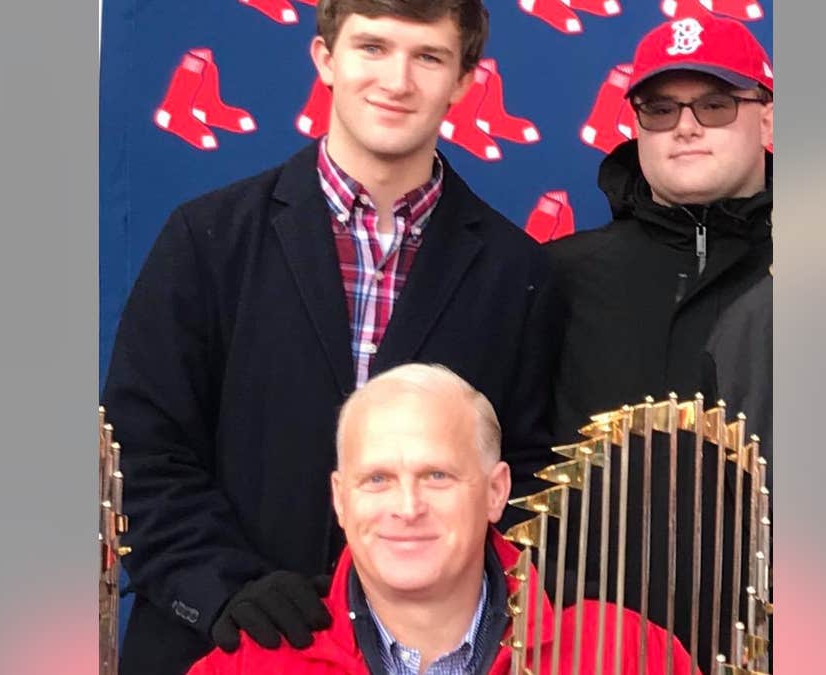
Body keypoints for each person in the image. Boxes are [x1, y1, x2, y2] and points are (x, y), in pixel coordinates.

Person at [101, 2, 561, 672]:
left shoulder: (518, 272)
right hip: (216, 646)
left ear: (464, 80)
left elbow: (519, 480)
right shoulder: (207, 240)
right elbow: (143, 450)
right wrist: (225, 588)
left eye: (427, 56)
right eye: (372, 47)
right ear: (325, 59)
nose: (397, 80)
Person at [187, 364, 692, 675]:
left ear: (497, 492)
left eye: (436, 476)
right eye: (377, 479)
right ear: (341, 500)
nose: (407, 508)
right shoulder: (251, 664)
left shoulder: (626, 654)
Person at [545, 8, 772, 672]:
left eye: (715, 103)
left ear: (767, 117)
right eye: (660, 108)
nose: (687, 126)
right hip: (599, 648)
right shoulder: (565, 275)